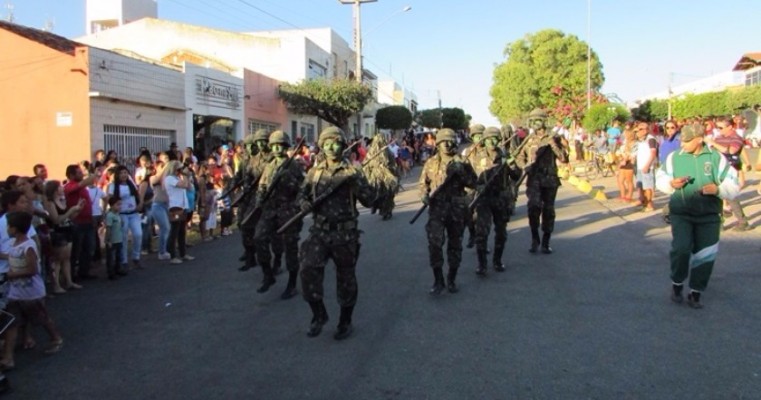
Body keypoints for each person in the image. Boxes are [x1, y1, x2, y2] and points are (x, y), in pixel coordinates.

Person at [298, 127, 377, 340]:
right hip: (319, 232)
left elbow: (370, 200)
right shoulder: (315, 172)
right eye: (327, 143)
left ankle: (345, 321)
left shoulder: (352, 172)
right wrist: (304, 203)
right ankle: (319, 315)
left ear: (343, 146)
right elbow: (301, 195)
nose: (332, 147)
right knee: (307, 270)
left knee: (346, 279)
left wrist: (358, 181)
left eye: (336, 143)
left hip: (345, 235)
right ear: (322, 146)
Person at [655, 123, 740, 309]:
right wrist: (671, 184)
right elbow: (660, 178)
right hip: (681, 213)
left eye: (687, 140)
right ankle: (677, 285)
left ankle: (696, 292)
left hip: (708, 216)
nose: (682, 144)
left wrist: (718, 189)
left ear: (700, 139)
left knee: (706, 254)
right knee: (681, 248)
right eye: (681, 140)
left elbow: (734, 184)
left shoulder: (716, 158)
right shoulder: (674, 158)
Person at [1, 211, 64, 371]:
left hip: (31, 292)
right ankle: (8, 357)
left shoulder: (28, 246)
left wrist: (11, 275)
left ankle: (56, 338)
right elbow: (12, 257)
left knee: (41, 317)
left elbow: (32, 269)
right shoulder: (14, 245)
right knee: (12, 323)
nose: (7, 229)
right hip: (15, 292)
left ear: (15, 229)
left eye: (9, 226)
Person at [419, 128, 477, 294]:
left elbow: (474, 183)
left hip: (456, 210)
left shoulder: (463, 162)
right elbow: (423, 183)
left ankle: (451, 278)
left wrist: (462, 173)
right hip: (437, 209)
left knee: (455, 245)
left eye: (450, 141)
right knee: (435, 244)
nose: (446, 144)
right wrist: (424, 195)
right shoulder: (431, 162)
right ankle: (438, 280)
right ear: (437, 144)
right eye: (443, 141)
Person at [253, 130, 304, 298]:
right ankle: (268, 275)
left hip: (288, 210)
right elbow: (262, 184)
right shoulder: (270, 165)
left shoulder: (294, 166)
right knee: (259, 238)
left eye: (279, 146)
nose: (276, 149)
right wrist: (260, 198)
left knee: (290, 246)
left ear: (285, 146)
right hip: (270, 209)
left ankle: (292, 283)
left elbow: (301, 189)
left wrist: (287, 178)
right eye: (273, 146)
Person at [469, 127, 521, 275]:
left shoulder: (505, 155)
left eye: (495, 139)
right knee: (482, 232)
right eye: (488, 139)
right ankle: (482, 264)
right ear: (484, 140)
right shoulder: (475, 156)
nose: (492, 142)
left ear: (499, 140)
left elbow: (517, 176)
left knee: (501, 232)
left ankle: (497, 261)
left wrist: (511, 163)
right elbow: (468, 178)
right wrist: (477, 187)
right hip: (483, 199)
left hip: (501, 199)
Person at [515, 109, 568, 254]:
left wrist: (554, 144)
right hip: (534, 180)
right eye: (533, 120)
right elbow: (519, 157)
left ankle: (546, 241)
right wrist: (524, 166)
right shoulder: (528, 139)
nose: (535, 123)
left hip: (550, 180)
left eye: (538, 120)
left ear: (544, 121)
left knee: (548, 211)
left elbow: (563, 158)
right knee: (533, 207)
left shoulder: (554, 137)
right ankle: (534, 238)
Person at [235, 129, 273, 272]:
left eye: (254, 144)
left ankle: (272, 263)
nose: (251, 148)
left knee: (269, 234)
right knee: (245, 226)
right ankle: (250, 255)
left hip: (266, 200)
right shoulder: (249, 161)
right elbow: (241, 177)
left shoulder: (272, 159)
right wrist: (231, 188)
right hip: (250, 198)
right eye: (248, 145)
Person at [704, 117, 750, 231]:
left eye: (721, 127)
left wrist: (713, 142)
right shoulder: (720, 137)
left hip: (731, 170)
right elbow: (713, 151)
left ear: (730, 127)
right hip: (718, 169)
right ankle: (719, 223)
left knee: (731, 197)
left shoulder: (737, 138)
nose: (719, 130)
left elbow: (731, 151)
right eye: (717, 127)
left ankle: (743, 222)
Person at [63, 165, 98, 280]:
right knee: (75, 250)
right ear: (71, 175)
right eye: (79, 173)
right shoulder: (69, 187)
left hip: (87, 221)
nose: (82, 174)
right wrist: (91, 177)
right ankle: (71, 274)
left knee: (88, 248)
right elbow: (79, 185)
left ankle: (84, 271)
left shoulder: (83, 188)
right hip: (77, 222)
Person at [106, 166, 143, 270]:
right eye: (121, 173)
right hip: (122, 214)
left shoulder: (131, 184)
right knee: (123, 237)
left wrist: (140, 204)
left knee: (138, 234)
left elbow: (137, 195)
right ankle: (124, 260)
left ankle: (136, 257)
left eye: (125, 173)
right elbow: (109, 199)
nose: (124, 175)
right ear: (117, 175)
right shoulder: (113, 186)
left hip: (133, 213)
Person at [164, 161, 195, 264]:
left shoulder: (178, 178)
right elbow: (184, 185)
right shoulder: (169, 179)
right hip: (175, 206)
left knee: (182, 231)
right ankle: (172, 254)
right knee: (174, 230)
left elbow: (189, 187)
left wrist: (187, 176)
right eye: (179, 169)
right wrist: (185, 176)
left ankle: (183, 253)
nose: (180, 171)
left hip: (183, 206)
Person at [633, 122, 658, 212]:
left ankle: (649, 205)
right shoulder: (640, 140)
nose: (637, 132)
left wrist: (647, 165)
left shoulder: (650, 139)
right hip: (640, 166)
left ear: (645, 130)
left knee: (648, 186)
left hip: (647, 166)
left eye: (639, 129)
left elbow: (653, 153)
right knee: (641, 185)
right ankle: (644, 202)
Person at [104, 197, 125, 279]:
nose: (120, 207)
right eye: (117, 205)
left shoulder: (117, 215)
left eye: (120, 204)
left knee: (118, 255)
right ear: (112, 205)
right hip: (112, 240)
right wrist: (108, 240)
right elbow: (108, 229)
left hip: (119, 239)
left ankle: (118, 269)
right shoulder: (110, 216)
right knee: (111, 257)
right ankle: (111, 273)